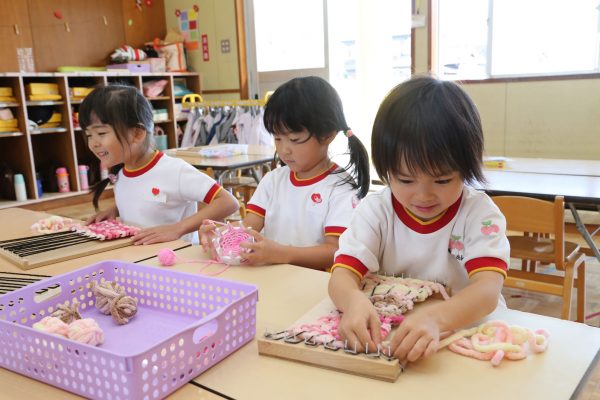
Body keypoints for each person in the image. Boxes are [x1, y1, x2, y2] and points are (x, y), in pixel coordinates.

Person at [328, 75, 510, 363]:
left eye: (442, 180)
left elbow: (487, 291)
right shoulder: (377, 210)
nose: (423, 196)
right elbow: (342, 275)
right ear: (386, 170)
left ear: (466, 168)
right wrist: (353, 301)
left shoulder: (479, 214)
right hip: (395, 337)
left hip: (467, 336)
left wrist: (436, 318)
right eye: (405, 180)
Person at [201, 76, 370, 270]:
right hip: (275, 279)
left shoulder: (340, 188)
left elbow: (335, 251)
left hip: (316, 286)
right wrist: (221, 234)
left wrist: (281, 254)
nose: (284, 150)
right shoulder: (273, 180)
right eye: (277, 138)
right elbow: (249, 227)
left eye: (295, 139)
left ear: (327, 135)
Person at [79, 84, 239, 244]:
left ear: (137, 134)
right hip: (141, 259)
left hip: (177, 261)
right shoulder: (122, 172)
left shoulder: (175, 171)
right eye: (89, 135)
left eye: (101, 133)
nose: (93, 143)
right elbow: (142, 200)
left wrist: (178, 228)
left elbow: (228, 202)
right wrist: (114, 210)